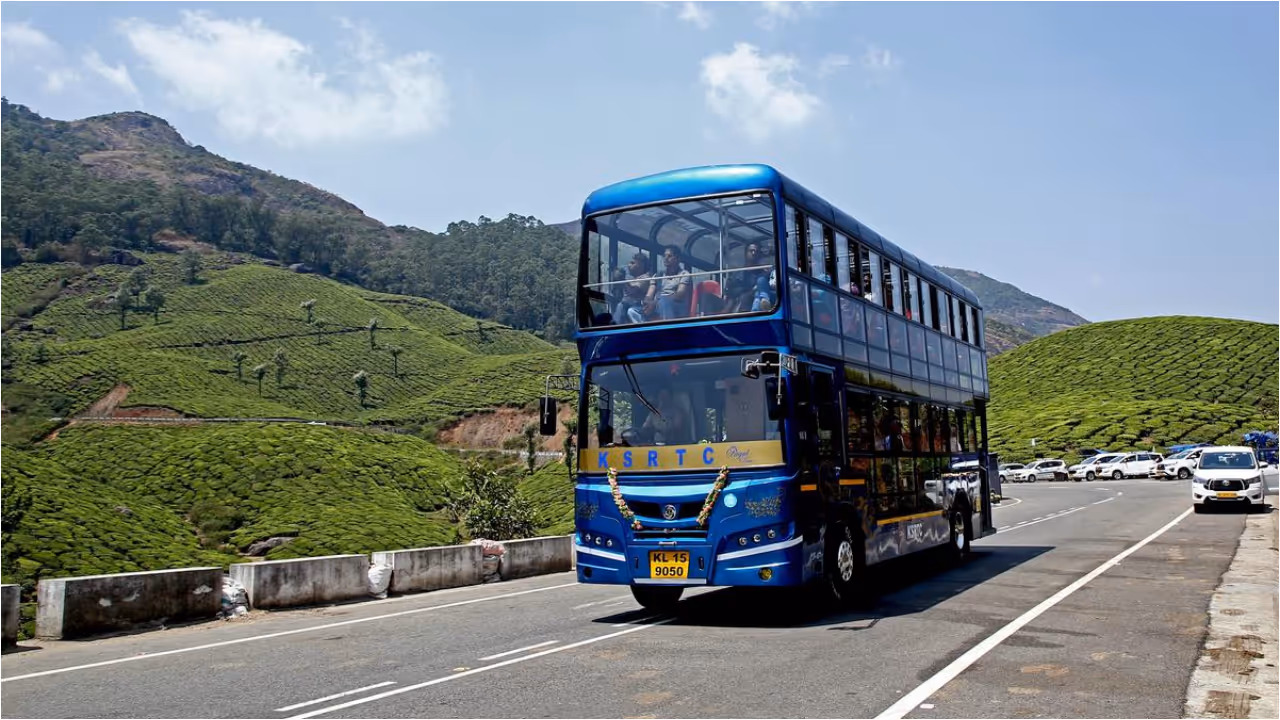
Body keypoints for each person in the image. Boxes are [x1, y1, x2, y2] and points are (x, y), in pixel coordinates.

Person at [642, 245, 692, 320]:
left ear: (677, 259)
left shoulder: (684, 274)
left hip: (676, 307)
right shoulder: (658, 275)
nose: (666, 258)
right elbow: (649, 294)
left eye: (669, 256)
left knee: (664, 302)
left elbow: (679, 295)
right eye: (664, 256)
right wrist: (647, 302)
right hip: (657, 306)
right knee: (633, 310)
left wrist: (656, 303)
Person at [612, 253, 652, 324]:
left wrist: (623, 280)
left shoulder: (646, 277)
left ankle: (614, 327)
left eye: (633, 263)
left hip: (638, 307)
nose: (629, 265)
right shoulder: (631, 279)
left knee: (621, 305)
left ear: (640, 265)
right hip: (626, 306)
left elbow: (633, 292)